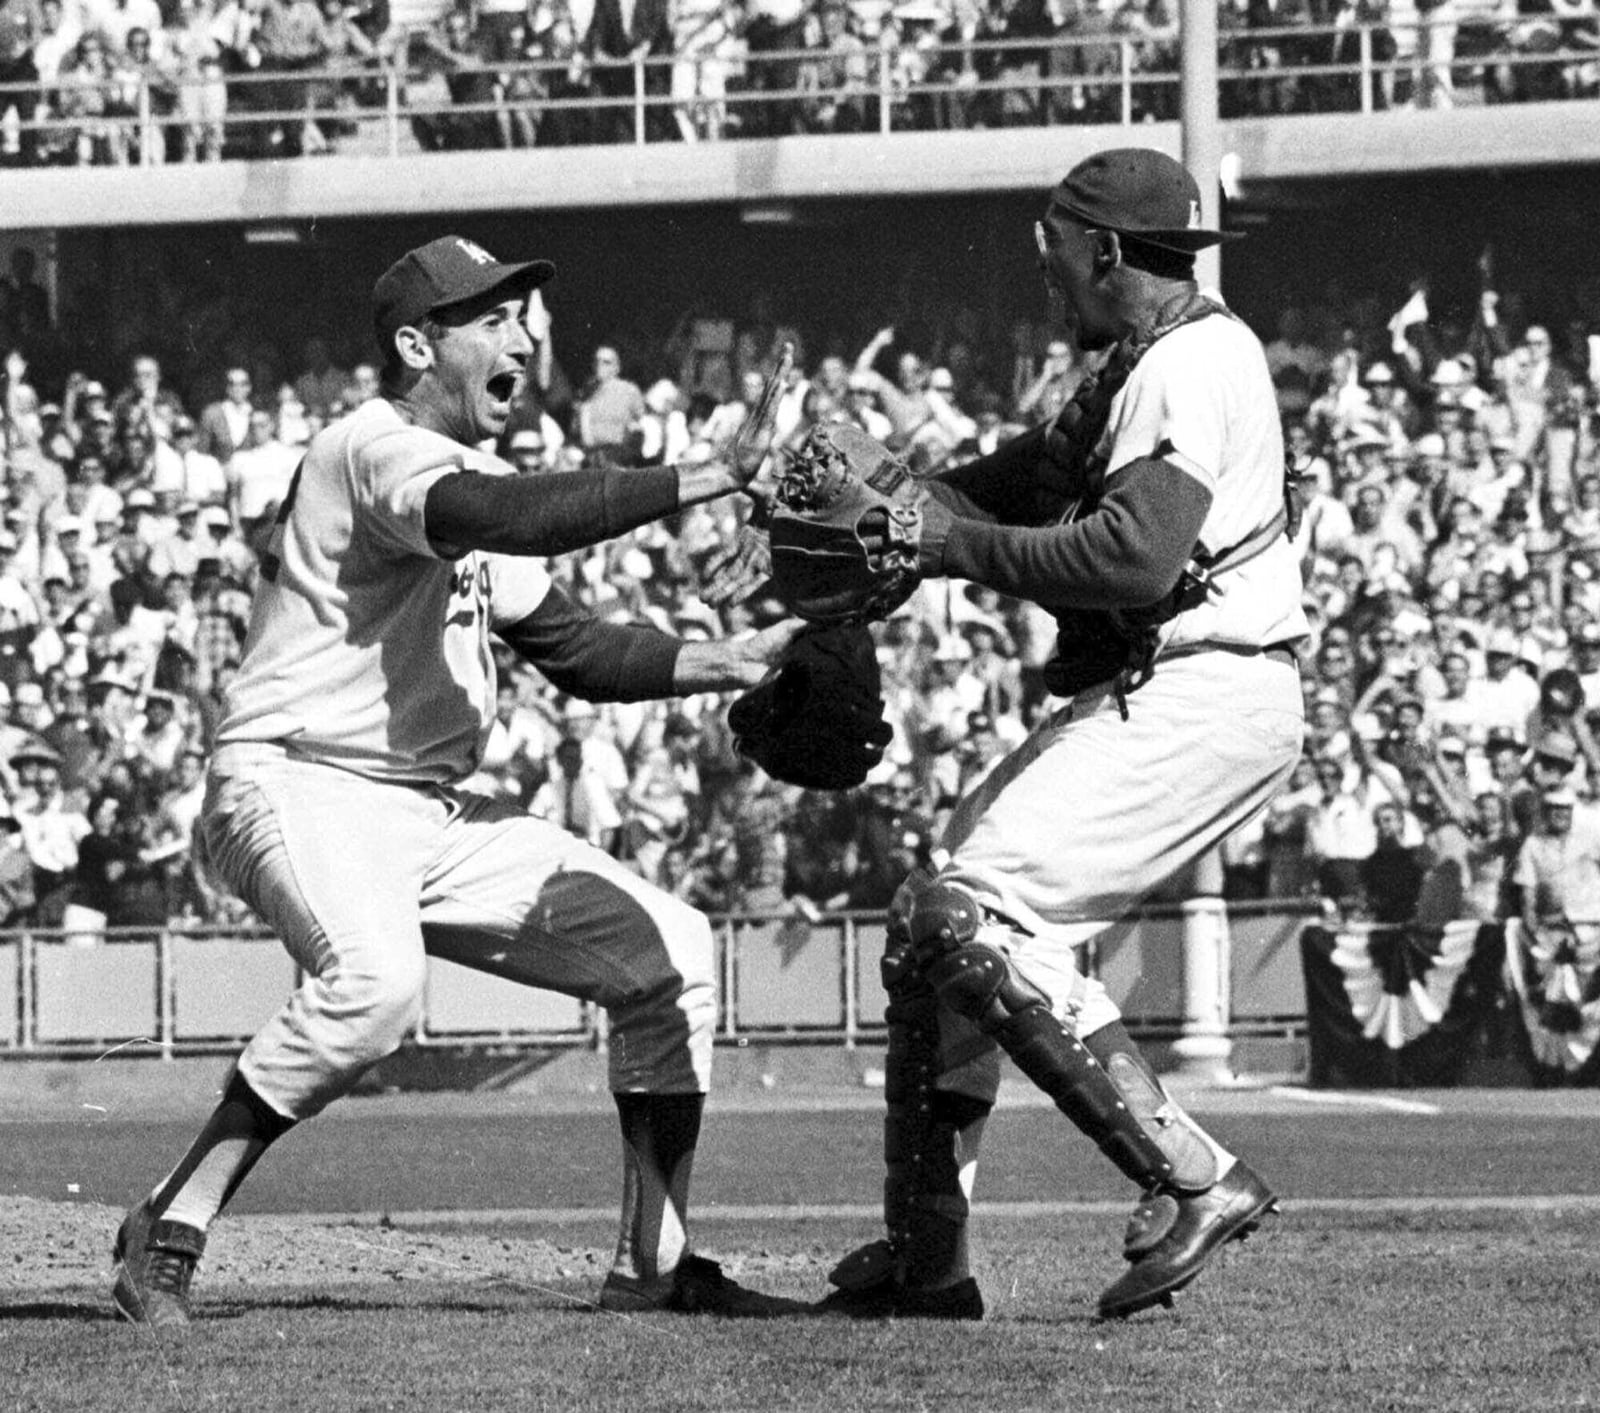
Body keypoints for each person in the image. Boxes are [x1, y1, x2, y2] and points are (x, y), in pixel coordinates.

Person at [110, 234, 808, 1328]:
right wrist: (712, 472)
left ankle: (654, 1266)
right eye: (489, 318)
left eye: (522, 314)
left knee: (667, 951)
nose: (521, 334)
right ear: (413, 345)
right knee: (375, 990)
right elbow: (495, 518)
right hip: (297, 782)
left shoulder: (478, 481)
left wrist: (729, 660)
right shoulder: (373, 444)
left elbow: (577, 649)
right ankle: (170, 1219)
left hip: (422, 812)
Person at [815, 149, 1306, 1323]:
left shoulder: (1191, 361)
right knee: (930, 934)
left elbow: (1131, 555)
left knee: (971, 918)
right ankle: (928, 1265)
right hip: (1171, 682)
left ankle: (1190, 1177)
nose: (1045, 279)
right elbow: (1019, 484)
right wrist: (883, 506)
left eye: (1052, 254)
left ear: (1100, 249)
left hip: (1207, 684)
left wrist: (938, 547)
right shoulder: (1145, 360)